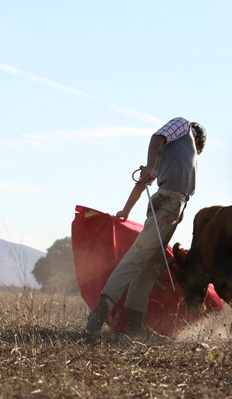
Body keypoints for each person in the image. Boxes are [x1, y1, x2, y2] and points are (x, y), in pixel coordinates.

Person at [85, 117, 206, 342]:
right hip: (169, 202)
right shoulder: (182, 125)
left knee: (152, 263)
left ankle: (135, 323)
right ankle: (104, 306)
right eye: (198, 150)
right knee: (140, 255)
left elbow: (144, 182)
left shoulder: (169, 156)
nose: (195, 154)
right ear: (198, 141)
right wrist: (150, 165)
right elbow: (156, 137)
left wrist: (126, 209)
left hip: (173, 207)